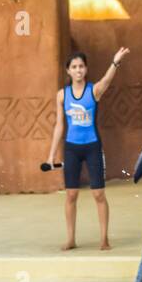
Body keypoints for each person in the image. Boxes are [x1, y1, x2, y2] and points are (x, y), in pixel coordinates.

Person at [47, 48, 130, 250]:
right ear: (68, 71)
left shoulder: (94, 91)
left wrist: (115, 62)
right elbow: (59, 125)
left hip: (92, 146)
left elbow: (107, 81)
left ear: (86, 69)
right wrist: (51, 155)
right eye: (74, 67)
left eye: (81, 66)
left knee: (98, 194)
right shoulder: (62, 95)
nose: (78, 70)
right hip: (72, 148)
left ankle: (104, 239)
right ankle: (71, 239)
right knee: (71, 195)